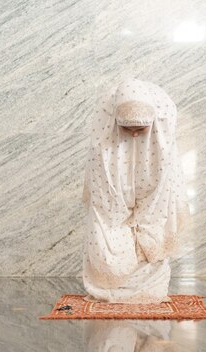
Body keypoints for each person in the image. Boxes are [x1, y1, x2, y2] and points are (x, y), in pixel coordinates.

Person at [81, 77, 190, 304]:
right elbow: (103, 191)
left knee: (154, 227)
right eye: (126, 128)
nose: (134, 135)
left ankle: (149, 289)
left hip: (153, 199)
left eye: (140, 129)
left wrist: (143, 222)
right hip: (113, 204)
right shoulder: (104, 137)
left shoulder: (162, 138)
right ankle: (115, 288)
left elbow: (161, 186)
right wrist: (121, 220)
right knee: (106, 227)